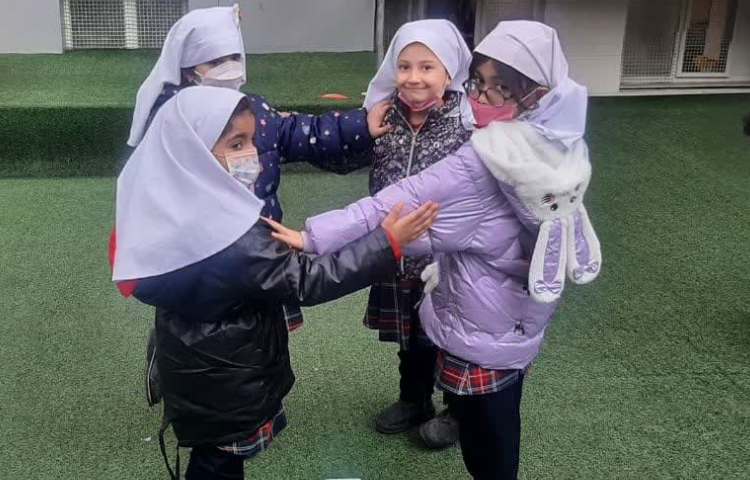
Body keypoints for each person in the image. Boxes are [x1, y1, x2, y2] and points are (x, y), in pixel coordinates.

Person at [267, 21, 602, 479]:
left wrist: (315, 236)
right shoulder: (554, 142)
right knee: (429, 352)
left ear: (537, 95)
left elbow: (400, 201)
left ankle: (453, 413)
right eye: (478, 84)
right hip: (487, 298)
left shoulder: (482, 147)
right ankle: (417, 400)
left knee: (487, 426)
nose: (481, 97)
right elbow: (387, 187)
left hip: (469, 292)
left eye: (497, 89)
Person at [110, 86, 438, 480]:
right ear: (193, 153)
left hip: (194, 369)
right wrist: (385, 243)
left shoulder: (170, 210)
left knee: (212, 455)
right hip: (231, 378)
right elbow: (309, 280)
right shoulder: (233, 239)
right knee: (217, 464)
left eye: (252, 141)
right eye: (237, 144)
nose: (252, 155)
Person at [123, 4, 391, 406]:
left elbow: (302, 132)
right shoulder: (175, 122)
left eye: (234, 56)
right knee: (196, 315)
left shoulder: (254, 113)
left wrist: (359, 125)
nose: (229, 68)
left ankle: (252, 381)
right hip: (200, 249)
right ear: (190, 70)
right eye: (215, 61)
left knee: (253, 321)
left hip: (252, 244)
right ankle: (174, 363)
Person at [358, 18, 475, 448]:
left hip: (448, 258)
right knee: (412, 335)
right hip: (399, 251)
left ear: (449, 72)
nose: (414, 77)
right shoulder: (383, 115)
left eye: (427, 67)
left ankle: (458, 410)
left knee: (451, 335)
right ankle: (414, 399)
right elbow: (348, 152)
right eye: (404, 66)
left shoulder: (468, 124)